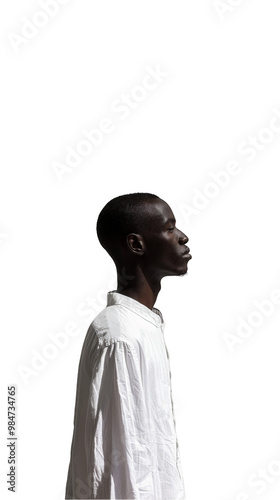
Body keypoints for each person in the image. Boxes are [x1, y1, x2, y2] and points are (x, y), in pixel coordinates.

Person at [65, 193, 192, 499]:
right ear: (137, 245)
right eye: (169, 228)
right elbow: (118, 461)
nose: (183, 237)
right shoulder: (120, 336)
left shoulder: (141, 326)